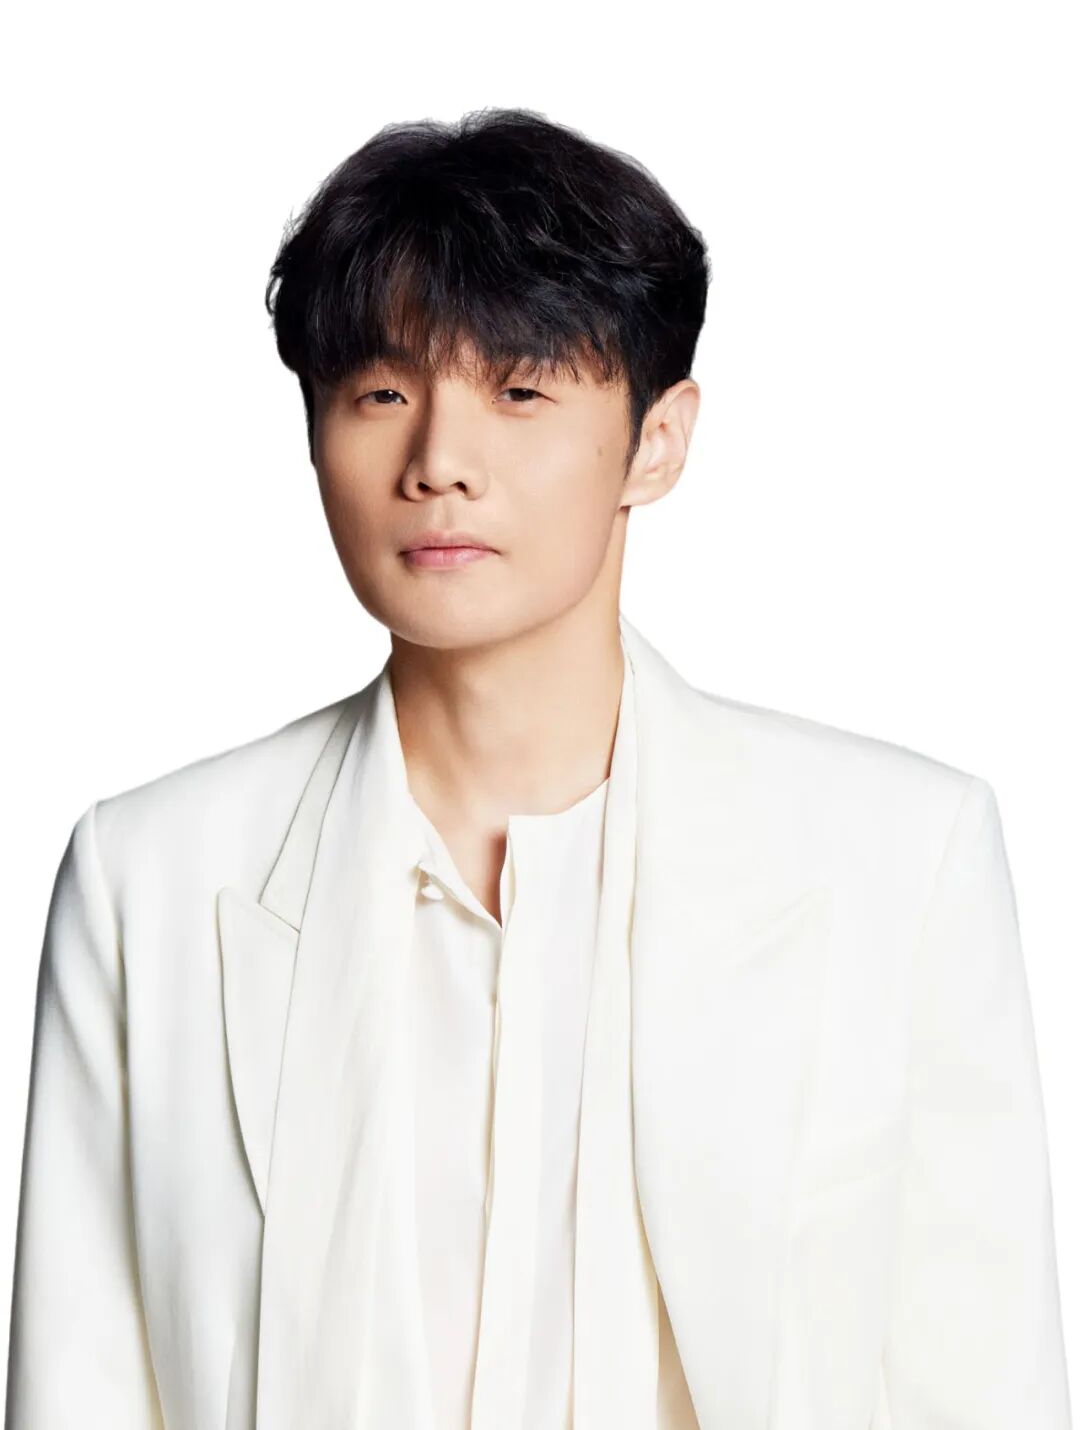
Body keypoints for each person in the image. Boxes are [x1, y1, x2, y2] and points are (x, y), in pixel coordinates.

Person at [5, 108, 1071, 1430]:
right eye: (382, 393)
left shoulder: (899, 861)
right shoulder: (148, 879)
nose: (438, 463)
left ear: (657, 440)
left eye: (519, 390)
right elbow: (81, 1391)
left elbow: (985, 1386)